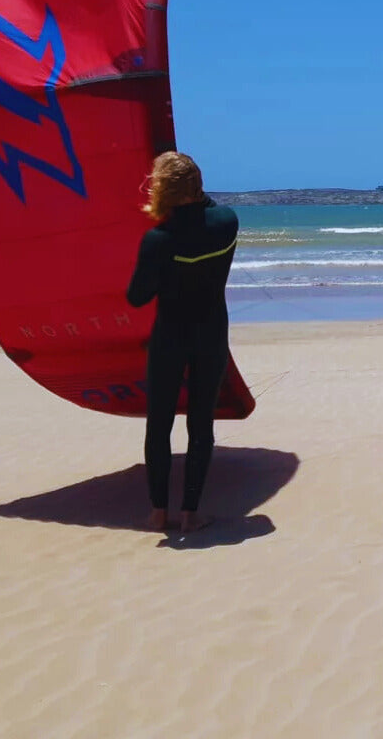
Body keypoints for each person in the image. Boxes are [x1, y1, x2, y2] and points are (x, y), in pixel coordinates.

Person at [127, 152, 239, 533]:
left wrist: (159, 270)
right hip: (210, 334)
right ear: (198, 181)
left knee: (159, 425)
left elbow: (137, 297)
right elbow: (206, 212)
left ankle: (159, 512)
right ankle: (192, 513)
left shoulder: (158, 239)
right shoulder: (227, 222)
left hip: (170, 337)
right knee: (200, 424)